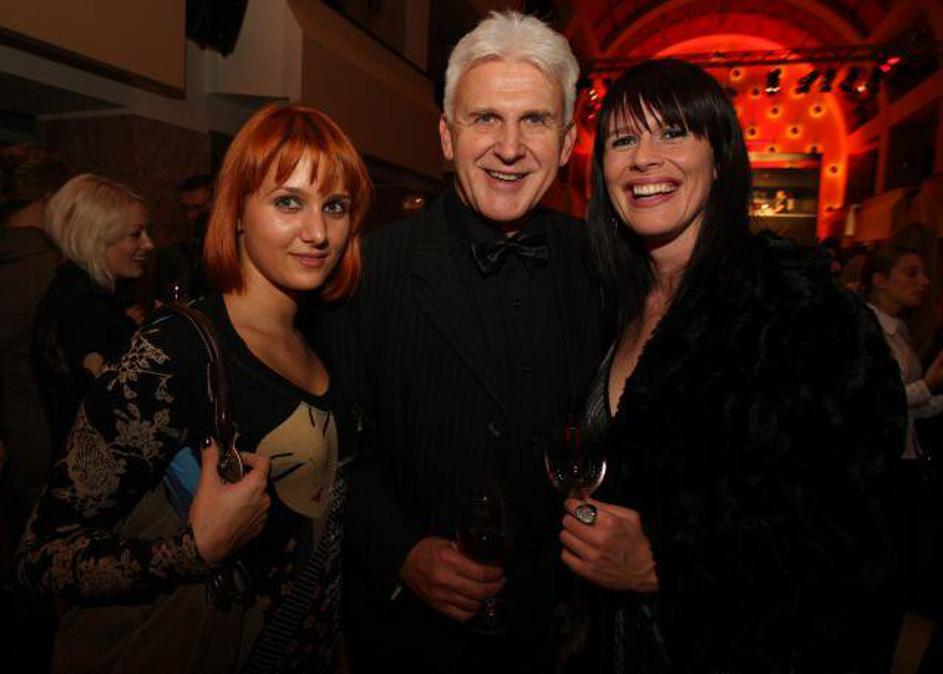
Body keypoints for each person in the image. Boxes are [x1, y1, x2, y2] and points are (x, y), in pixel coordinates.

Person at [565, 58, 906, 673]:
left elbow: (857, 536)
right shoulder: (609, 301)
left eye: (673, 132)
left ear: (720, 158)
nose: (645, 158)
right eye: (623, 139)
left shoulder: (801, 311)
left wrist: (667, 562)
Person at [18, 104, 371, 673]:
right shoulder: (174, 349)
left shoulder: (323, 332)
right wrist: (194, 549)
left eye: (334, 206)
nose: (318, 232)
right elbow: (43, 555)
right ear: (237, 211)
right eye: (288, 202)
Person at [320, 10, 603, 674]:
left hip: (555, 629)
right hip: (408, 637)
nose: (509, 147)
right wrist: (401, 552)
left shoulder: (603, 267)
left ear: (566, 142)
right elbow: (330, 450)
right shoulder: (368, 269)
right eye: (485, 119)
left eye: (535, 120)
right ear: (447, 137)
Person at [31, 174, 155, 458]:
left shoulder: (85, 296)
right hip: (96, 468)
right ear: (94, 239)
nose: (148, 244)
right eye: (135, 234)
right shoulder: (79, 309)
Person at [861, 244, 943, 667]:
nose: (923, 283)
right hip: (883, 471)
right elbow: (873, 404)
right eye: (912, 273)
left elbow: (910, 411)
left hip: (904, 466)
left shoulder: (899, 330)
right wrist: (929, 384)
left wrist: (934, 395)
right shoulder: (866, 331)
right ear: (880, 279)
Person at [155, 174, 215, 301]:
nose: (190, 215)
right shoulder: (171, 255)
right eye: (185, 208)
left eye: (198, 208)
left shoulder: (232, 249)